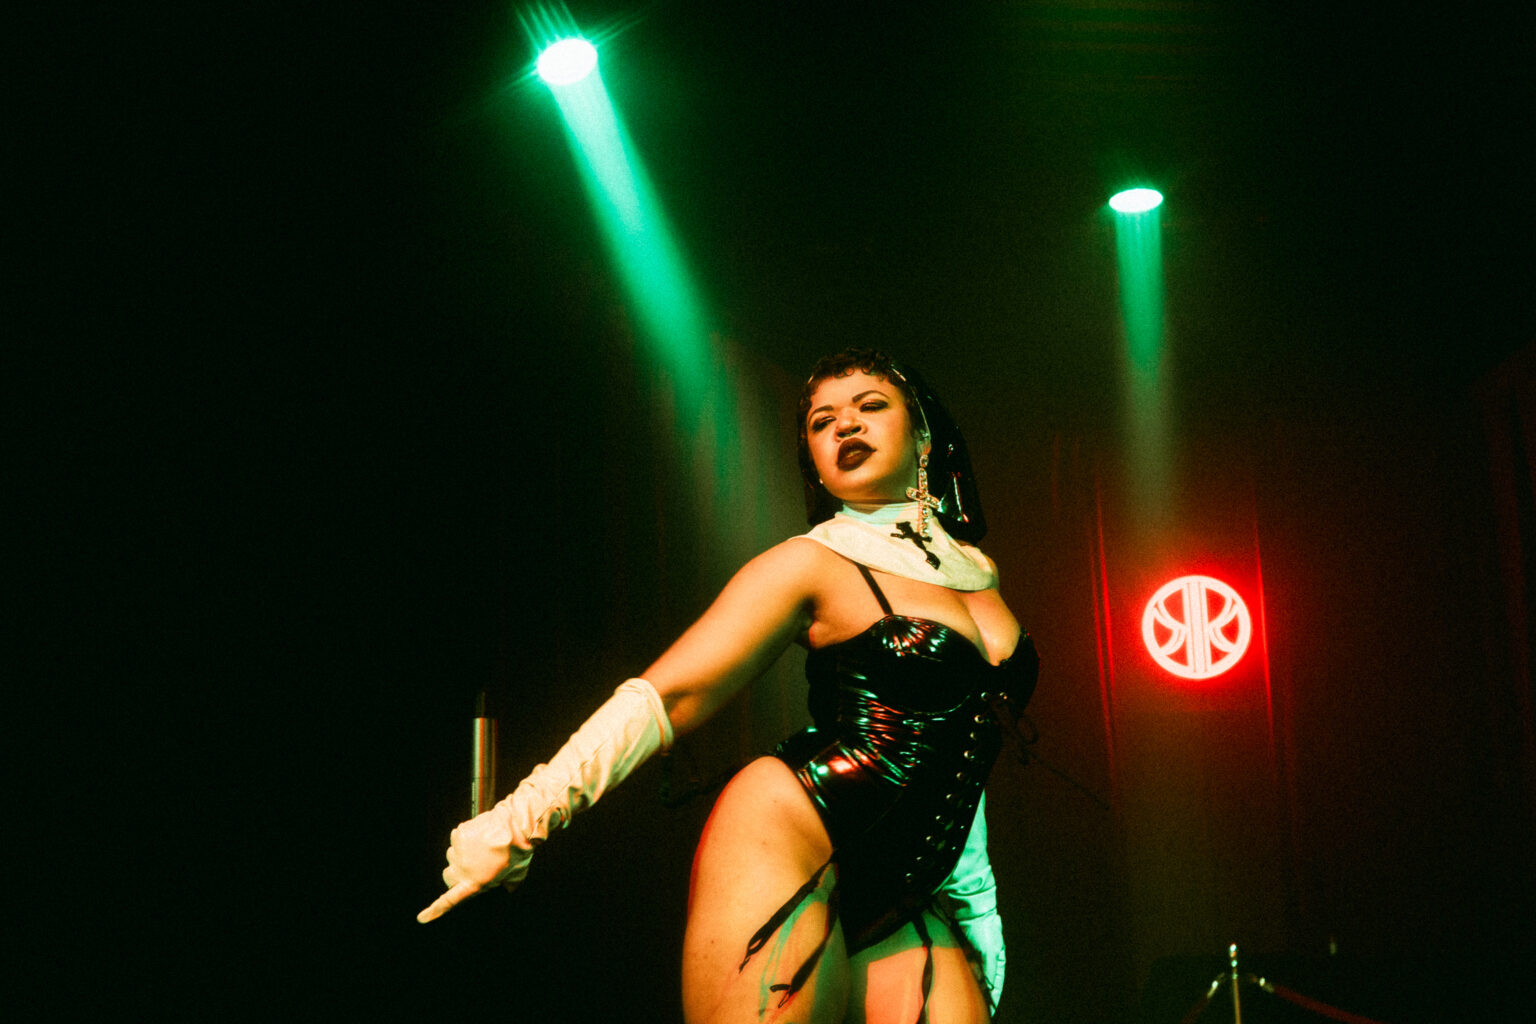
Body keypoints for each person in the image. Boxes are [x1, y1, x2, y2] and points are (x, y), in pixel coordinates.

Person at [418, 347, 1037, 1024]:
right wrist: (519, 821)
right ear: (813, 460)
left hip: (911, 885)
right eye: (822, 421)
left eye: (870, 406)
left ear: (924, 438)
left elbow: (962, 746)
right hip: (793, 832)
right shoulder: (812, 562)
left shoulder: (979, 573)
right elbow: (668, 695)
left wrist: (977, 902)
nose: (845, 425)